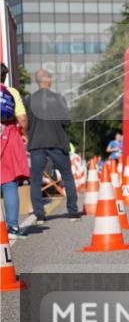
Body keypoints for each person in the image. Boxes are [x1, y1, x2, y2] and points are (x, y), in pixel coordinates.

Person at [25, 69, 81, 222]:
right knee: (67, 177)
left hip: (36, 143)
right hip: (57, 142)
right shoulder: (58, 98)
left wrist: (27, 135)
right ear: (48, 80)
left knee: (35, 179)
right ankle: (73, 213)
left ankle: (39, 215)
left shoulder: (28, 100)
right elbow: (66, 122)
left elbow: (25, 121)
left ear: (37, 82)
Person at [1, 63, 30, 238]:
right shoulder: (11, 92)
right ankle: (12, 227)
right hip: (7, 135)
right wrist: (24, 132)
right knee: (9, 182)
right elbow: (22, 118)